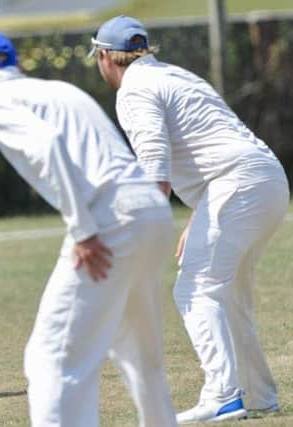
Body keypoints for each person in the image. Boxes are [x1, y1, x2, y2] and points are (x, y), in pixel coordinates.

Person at [0, 28, 177, 427]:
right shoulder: (57, 91)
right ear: (14, 65)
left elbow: (46, 145)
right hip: (152, 213)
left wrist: (83, 231)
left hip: (111, 219)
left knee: (50, 358)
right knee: (140, 354)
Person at [90, 15, 289, 424]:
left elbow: (155, 172)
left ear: (106, 57)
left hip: (237, 184)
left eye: (98, 56)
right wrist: (197, 216)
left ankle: (222, 395)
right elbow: (214, 141)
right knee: (229, 295)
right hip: (265, 178)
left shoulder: (134, 92)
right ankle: (259, 396)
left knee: (195, 290)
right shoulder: (176, 75)